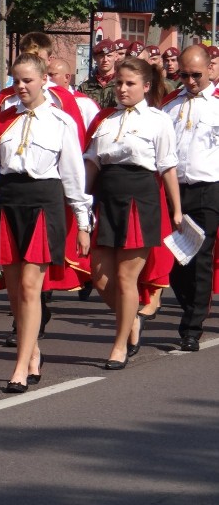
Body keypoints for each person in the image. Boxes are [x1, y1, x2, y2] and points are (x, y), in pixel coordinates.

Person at [0, 53, 92, 392]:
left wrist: (84, 223)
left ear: (44, 79)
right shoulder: (4, 118)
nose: (21, 86)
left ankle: (19, 367)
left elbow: (74, 176)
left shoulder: (61, 122)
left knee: (31, 287)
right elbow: (0, 167)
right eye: (16, 80)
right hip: (10, 199)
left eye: (27, 80)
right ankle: (33, 353)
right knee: (14, 290)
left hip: (44, 202)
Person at [84, 57, 181, 369]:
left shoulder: (158, 120)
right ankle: (132, 322)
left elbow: (167, 166)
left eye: (130, 83)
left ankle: (119, 344)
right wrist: (80, 201)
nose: (122, 89)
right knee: (99, 275)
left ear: (146, 86)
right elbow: (92, 162)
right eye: (119, 83)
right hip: (106, 196)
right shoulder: (105, 120)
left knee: (127, 278)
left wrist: (176, 209)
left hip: (140, 197)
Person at [161, 45, 219, 352]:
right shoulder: (170, 103)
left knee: (200, 258)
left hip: (208, 189)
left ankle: (192, 326)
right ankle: (187, 305)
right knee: (174, 260)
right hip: (173, 190)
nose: (190, 81)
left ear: (210, 69)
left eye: (196, 74)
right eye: (183, 75)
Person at [79, 39, 117, 108]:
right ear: (95, 58)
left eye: (109, 55)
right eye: (101, 56)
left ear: (116, 57)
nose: (105, 60)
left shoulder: (122, 85)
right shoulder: (84, 87)